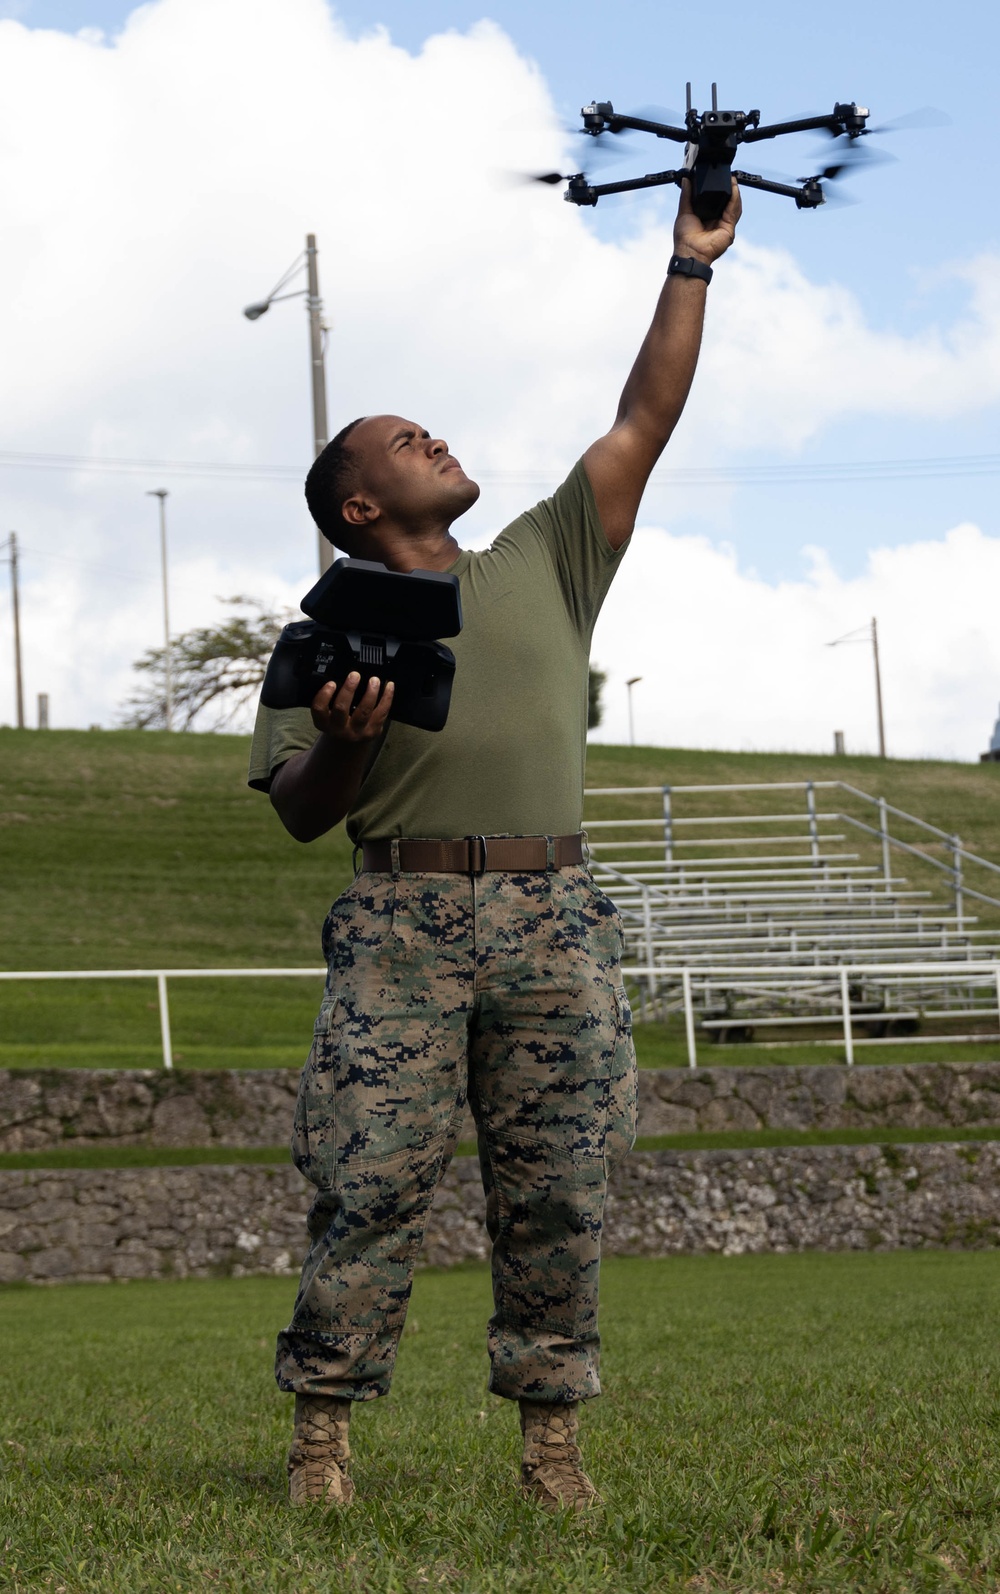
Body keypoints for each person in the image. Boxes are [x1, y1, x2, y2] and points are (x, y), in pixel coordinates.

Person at [248, 179, 741, 1511]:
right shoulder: (320, 639)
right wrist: (348, 740)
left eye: (431, 428)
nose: (432, 437)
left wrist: (690, 265)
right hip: (401, 927)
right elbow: (298, 804)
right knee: (366, 1181)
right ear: (355, 505)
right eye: (402, 441)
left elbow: (647, 416)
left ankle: (550, 1445)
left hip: (557, 917)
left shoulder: (542, 557)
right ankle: (323, 1440)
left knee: (560, 1190)